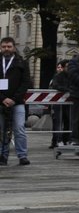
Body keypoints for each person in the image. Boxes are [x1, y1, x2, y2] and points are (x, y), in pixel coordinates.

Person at [0, 36, 33, 166]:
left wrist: (14, 99)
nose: (6, 49)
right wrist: (3, 98)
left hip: (17, 102)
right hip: (1, 101)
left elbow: (25, 83)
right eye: (4, 47)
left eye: (9, 46)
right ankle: (3, 155)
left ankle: (22, 155)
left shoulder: (21, 62)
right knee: (2, 130)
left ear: (14, 47)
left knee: (19, 128)